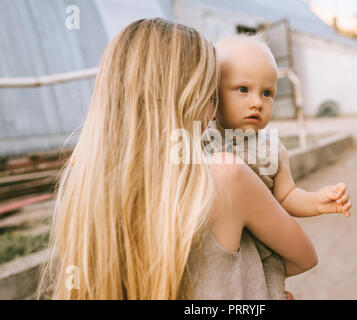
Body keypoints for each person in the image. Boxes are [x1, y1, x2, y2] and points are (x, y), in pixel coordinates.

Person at [36, 18, 317, 300]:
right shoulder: (225, 175)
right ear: (184, 98)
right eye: (210, 96)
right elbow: (303, 257)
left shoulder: (85, 179)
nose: (212, 111)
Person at [208, 35, 353, 299]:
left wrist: (316, 201)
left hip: (260, 258)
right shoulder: (201, 140)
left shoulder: (272, 150)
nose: (257, 102)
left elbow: (286, 195)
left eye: (267, 93)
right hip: (214, 256)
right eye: (243, 89)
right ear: (212, 92)